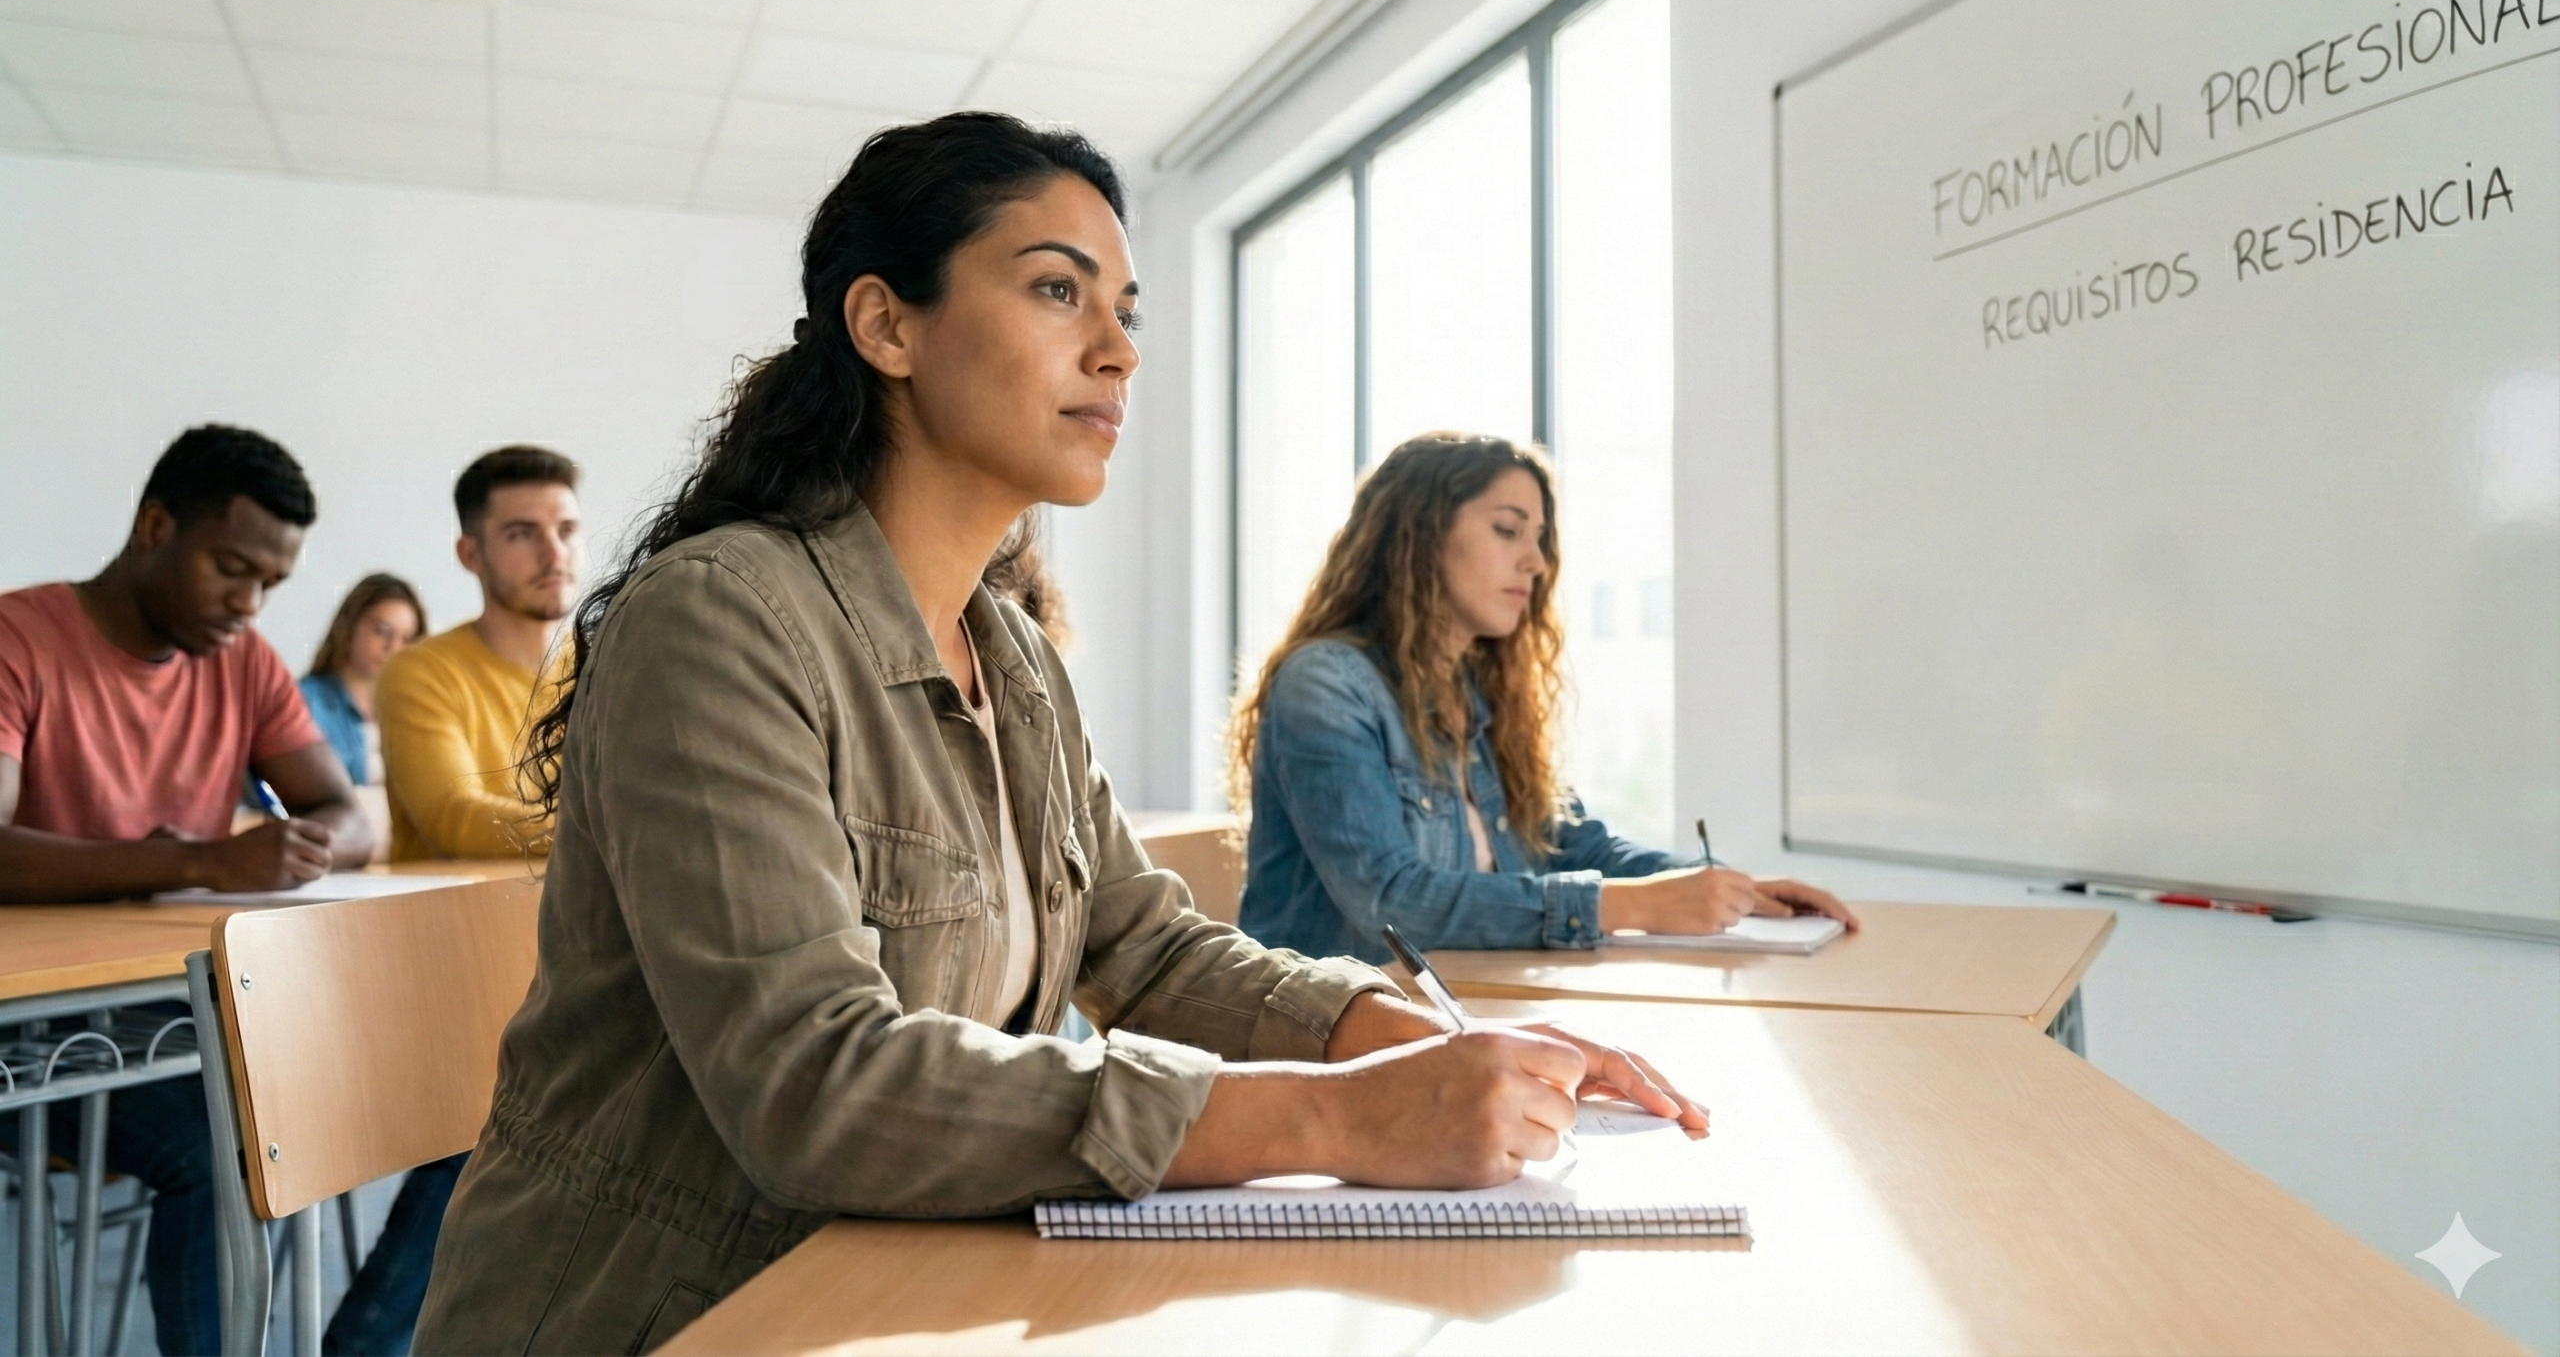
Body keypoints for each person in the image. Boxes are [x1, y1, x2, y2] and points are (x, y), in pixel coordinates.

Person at [413, 113, 1705, 1357]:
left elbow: (1143, 948)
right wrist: (1337, 1116)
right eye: (1056, 292)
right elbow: (814, 1085)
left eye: (1126, 313)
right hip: (674, 1318)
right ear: (885, 325)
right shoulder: (717, 623)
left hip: (899, 1289)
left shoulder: (1011, 652)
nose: (1120, 352)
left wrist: (1418, 1042)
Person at [0, 424, 421, 1356]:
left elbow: (352, 816)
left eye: (271, 583)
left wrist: (308, 843)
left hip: (184, 1012)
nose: (250, 601)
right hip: (35, 1032)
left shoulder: (242, 660)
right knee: (221, 1151)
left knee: (458, 1087)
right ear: (155, 527)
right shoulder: (18, 638)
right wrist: (198, 859)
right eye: (233, 568)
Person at [1229, 432, 1858, 964]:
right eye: (1508, 530)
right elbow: (1392, 903)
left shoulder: (1474, 689)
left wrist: (1718, 885)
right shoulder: (1327, 685)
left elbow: (1568, 844)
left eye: (1540, 539)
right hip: (1325, 1043)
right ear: (1417, 537)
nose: (1535, 562)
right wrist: (1637, 905)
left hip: (1465, 1015)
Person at [375, 446, 580, 860]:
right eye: (521, 533)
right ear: (471, 555)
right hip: (457, 921)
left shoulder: (606, 665)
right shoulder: (421, 672)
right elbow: (456, 819)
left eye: (567, 531)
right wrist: (617, 834)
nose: (554, 554)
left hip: (582, 916)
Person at [300, 572, 428, 785]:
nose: (394, 648)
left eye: (407, 639)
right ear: (349, 626)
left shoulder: (418, 707)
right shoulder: (304, 702)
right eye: (382, 631)